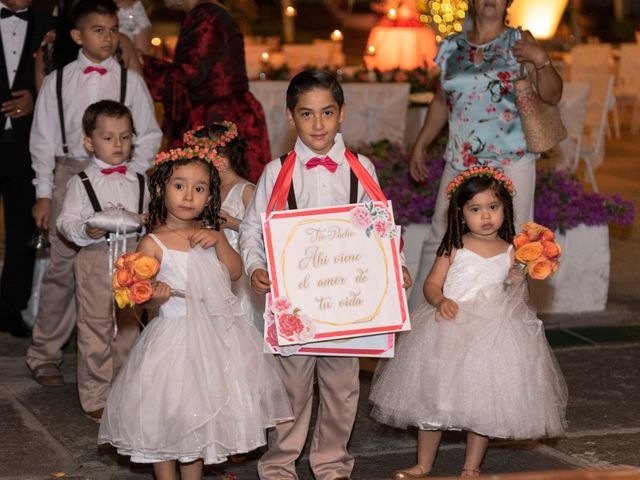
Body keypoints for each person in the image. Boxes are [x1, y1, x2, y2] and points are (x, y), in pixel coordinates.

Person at [239, 68, 412, 480]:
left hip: (346, 306)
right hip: (296, 306)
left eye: (327, 113)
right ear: (290, 116)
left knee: (342, 390)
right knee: (292, 390)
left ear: (342, 114)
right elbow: (251, 228)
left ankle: (331, 462)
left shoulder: (361, 167)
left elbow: (380, 226)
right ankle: (279, 464)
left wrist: (396, 264)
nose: (318, 124)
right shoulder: (276, 171)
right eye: (307, 114)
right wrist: (256, 265)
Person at [97, 145, 293, 480]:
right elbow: (143, 299)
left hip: (213, 338)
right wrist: (154, 295)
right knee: (168, 414)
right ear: (161, 189)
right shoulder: (152, 244)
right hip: (172, 339)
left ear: (210, 195)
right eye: (179, 186)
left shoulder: (210, 234)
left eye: (199, 188)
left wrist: (220, 242)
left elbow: (234, 274)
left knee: (198, 415)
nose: (189, 195)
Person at [369, 166, 568, 478]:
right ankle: (424, 463)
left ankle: (471, 467)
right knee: (433, 398)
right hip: (451, 329)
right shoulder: (454, 247)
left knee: (482, 402)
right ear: (461, 214)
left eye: (493, 207)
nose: (485, 216)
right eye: (476, 209)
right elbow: (431, 285)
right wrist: (440, 300)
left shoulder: (510, 251)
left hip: (492, 336)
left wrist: (518, 275)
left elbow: (515, 293)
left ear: (506, 209)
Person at [26, 0, 162, 386]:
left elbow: (149, 133)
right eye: (98, 30)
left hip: (119, 179)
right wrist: (43, 193)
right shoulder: (57, 81)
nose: (108, 37)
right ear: (78, 36)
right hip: (69, 172)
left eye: (113, 29)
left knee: (124, 268)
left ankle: (119, 362)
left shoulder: (129, 81)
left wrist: (131, 172)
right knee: (61, 269)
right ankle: (45, 353)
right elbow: (43, 142)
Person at [407, 0, 563, 308]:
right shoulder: (450, 47)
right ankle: (422, 323)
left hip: (512, 159)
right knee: (441, 236)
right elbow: (442, 100)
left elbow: (553, 95)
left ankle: (507, 329)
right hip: (460, 160)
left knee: (517, 241)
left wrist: (541, 60)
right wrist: (422, 142)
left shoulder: (520, 42)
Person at [56, 100, 147, 421]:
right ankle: (95, 393)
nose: (118, 145)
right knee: (95, 326)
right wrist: (87, 228)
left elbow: (149, 219)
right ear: (89, 142)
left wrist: (146, 220)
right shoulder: (80, 182)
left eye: (125, 136)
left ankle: (121, 387)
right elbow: (65, 221)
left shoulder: (140, 180)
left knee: (129, 325)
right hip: (96, 257)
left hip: (134, 259)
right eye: (108, 138)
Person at [142, 0, 271, 183]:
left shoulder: (206, 16)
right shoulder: (208, 12)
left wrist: (143, 64)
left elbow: (189, 74)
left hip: (217, 118)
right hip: (225, 111)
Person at [0, 0, 55, 337]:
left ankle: (9, 309)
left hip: (27, 144)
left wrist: (37, 98)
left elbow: (61, 78)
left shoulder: (50, 24)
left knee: (23, 229)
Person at [183, 121, 264, 331]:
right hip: (214, 271)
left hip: (242, 276)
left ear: (226, 158)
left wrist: (232, 222)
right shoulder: (206, 191)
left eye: (208, 157)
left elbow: (262, 231)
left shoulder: (245, 190)